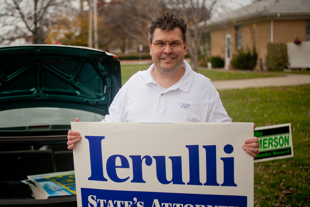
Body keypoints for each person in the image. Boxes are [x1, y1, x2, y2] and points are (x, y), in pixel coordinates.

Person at [67, 13, 259, 158]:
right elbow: (109, 128)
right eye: (160, 44)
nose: (167, 50)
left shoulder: (204, 87)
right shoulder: (134, 84)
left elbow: (226, 137)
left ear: (184, 47)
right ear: (150, 47)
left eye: (174, 43)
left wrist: (245, 145)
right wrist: (83, 137)